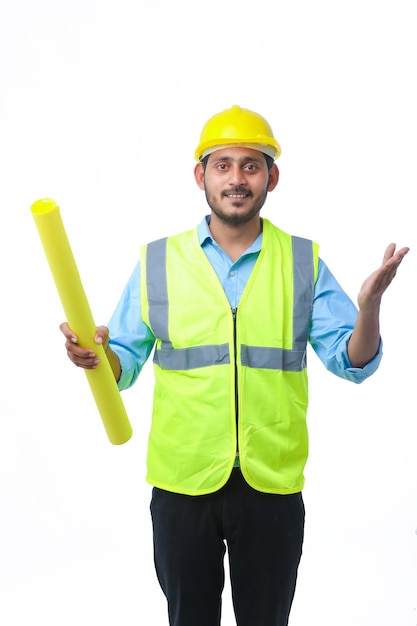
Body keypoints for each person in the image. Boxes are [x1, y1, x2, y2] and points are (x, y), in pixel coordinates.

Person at [60, 105, 409, 626]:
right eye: (223, 165)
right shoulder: (158, 261)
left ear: (272, 177)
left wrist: (371, 306)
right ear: (201, 176)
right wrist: (96, 356)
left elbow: (352, 361)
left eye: (251, 165)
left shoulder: (302, 261)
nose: (237, 179)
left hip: (270, 482)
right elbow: (123, 362)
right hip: (183, 481)